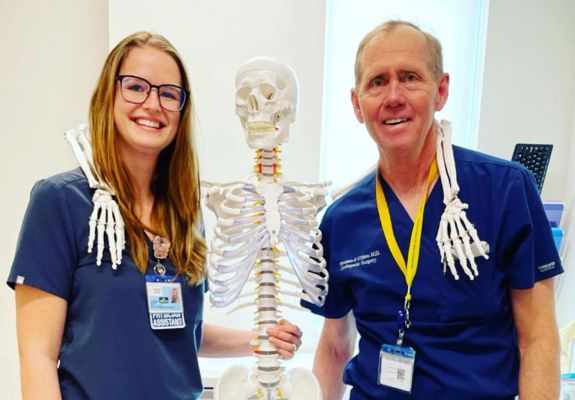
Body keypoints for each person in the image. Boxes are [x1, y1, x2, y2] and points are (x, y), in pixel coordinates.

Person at [7, 31, 301, 400]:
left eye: (168, 93)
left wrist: (260, 340)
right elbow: (37, 358)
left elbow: (177, 330)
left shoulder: (186, 212)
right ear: (108, 96)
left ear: (182, 109)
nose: (152, 103)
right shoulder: (62, 202)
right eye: (136, 87)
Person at [303, 20, 563, 399]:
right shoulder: (340, 219)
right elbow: (334, 347)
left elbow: (537, 339)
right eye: (377, 82)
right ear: (357, 104)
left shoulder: (506, 190)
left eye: (410, 77)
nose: (393, 96)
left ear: (440, 90)